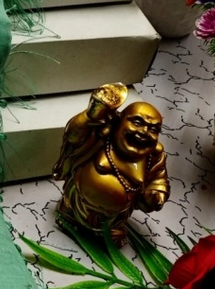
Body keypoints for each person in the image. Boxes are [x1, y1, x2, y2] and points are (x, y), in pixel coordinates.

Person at [52, 86, 169, 246]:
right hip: (77, 201)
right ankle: (70, 217)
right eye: (137, 122)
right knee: (68, 214)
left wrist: (156, 195)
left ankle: (106, 231)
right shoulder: (102, 135)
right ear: (120, 120)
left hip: (114, 218)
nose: (144, 132)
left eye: (153, 129)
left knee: (112, 234)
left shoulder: (154, 156)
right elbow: (73, 136)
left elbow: (159, 180)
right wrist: (90, 115)